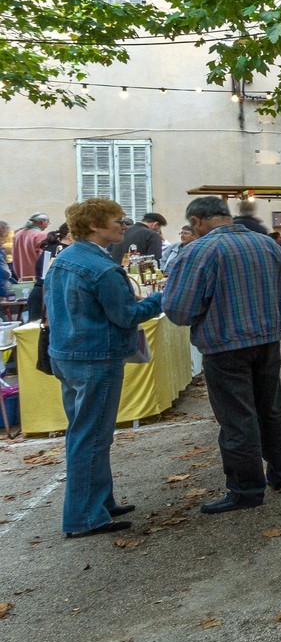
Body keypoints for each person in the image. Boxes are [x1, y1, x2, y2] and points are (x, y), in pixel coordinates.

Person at [161, 196, 281, 513]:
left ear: (197, 221)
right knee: (269, 406)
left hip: (225, 344)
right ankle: (280, 470)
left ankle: (246, 488)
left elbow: (179, 310)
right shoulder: (266, 243)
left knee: (237, 417)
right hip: (265, 338)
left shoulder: (198, 251)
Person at [44, 199, 164, 537]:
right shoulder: (101, 268)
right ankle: (84, 517)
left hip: (68, 355)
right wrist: (159, 298)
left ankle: (100, 502)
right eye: (118, 220)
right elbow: (126, 316)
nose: (124, 225)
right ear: (96, 226)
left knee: (88, 434)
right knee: (91, 437)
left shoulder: (66, 257)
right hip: (95, 359)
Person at [12, 212, 50, 279]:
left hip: (20, 275)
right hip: (36, 275)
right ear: (43, 222)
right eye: (48, 222)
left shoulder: (17, 234)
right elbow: (44, 257)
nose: (47, 225)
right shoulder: (41, 235)